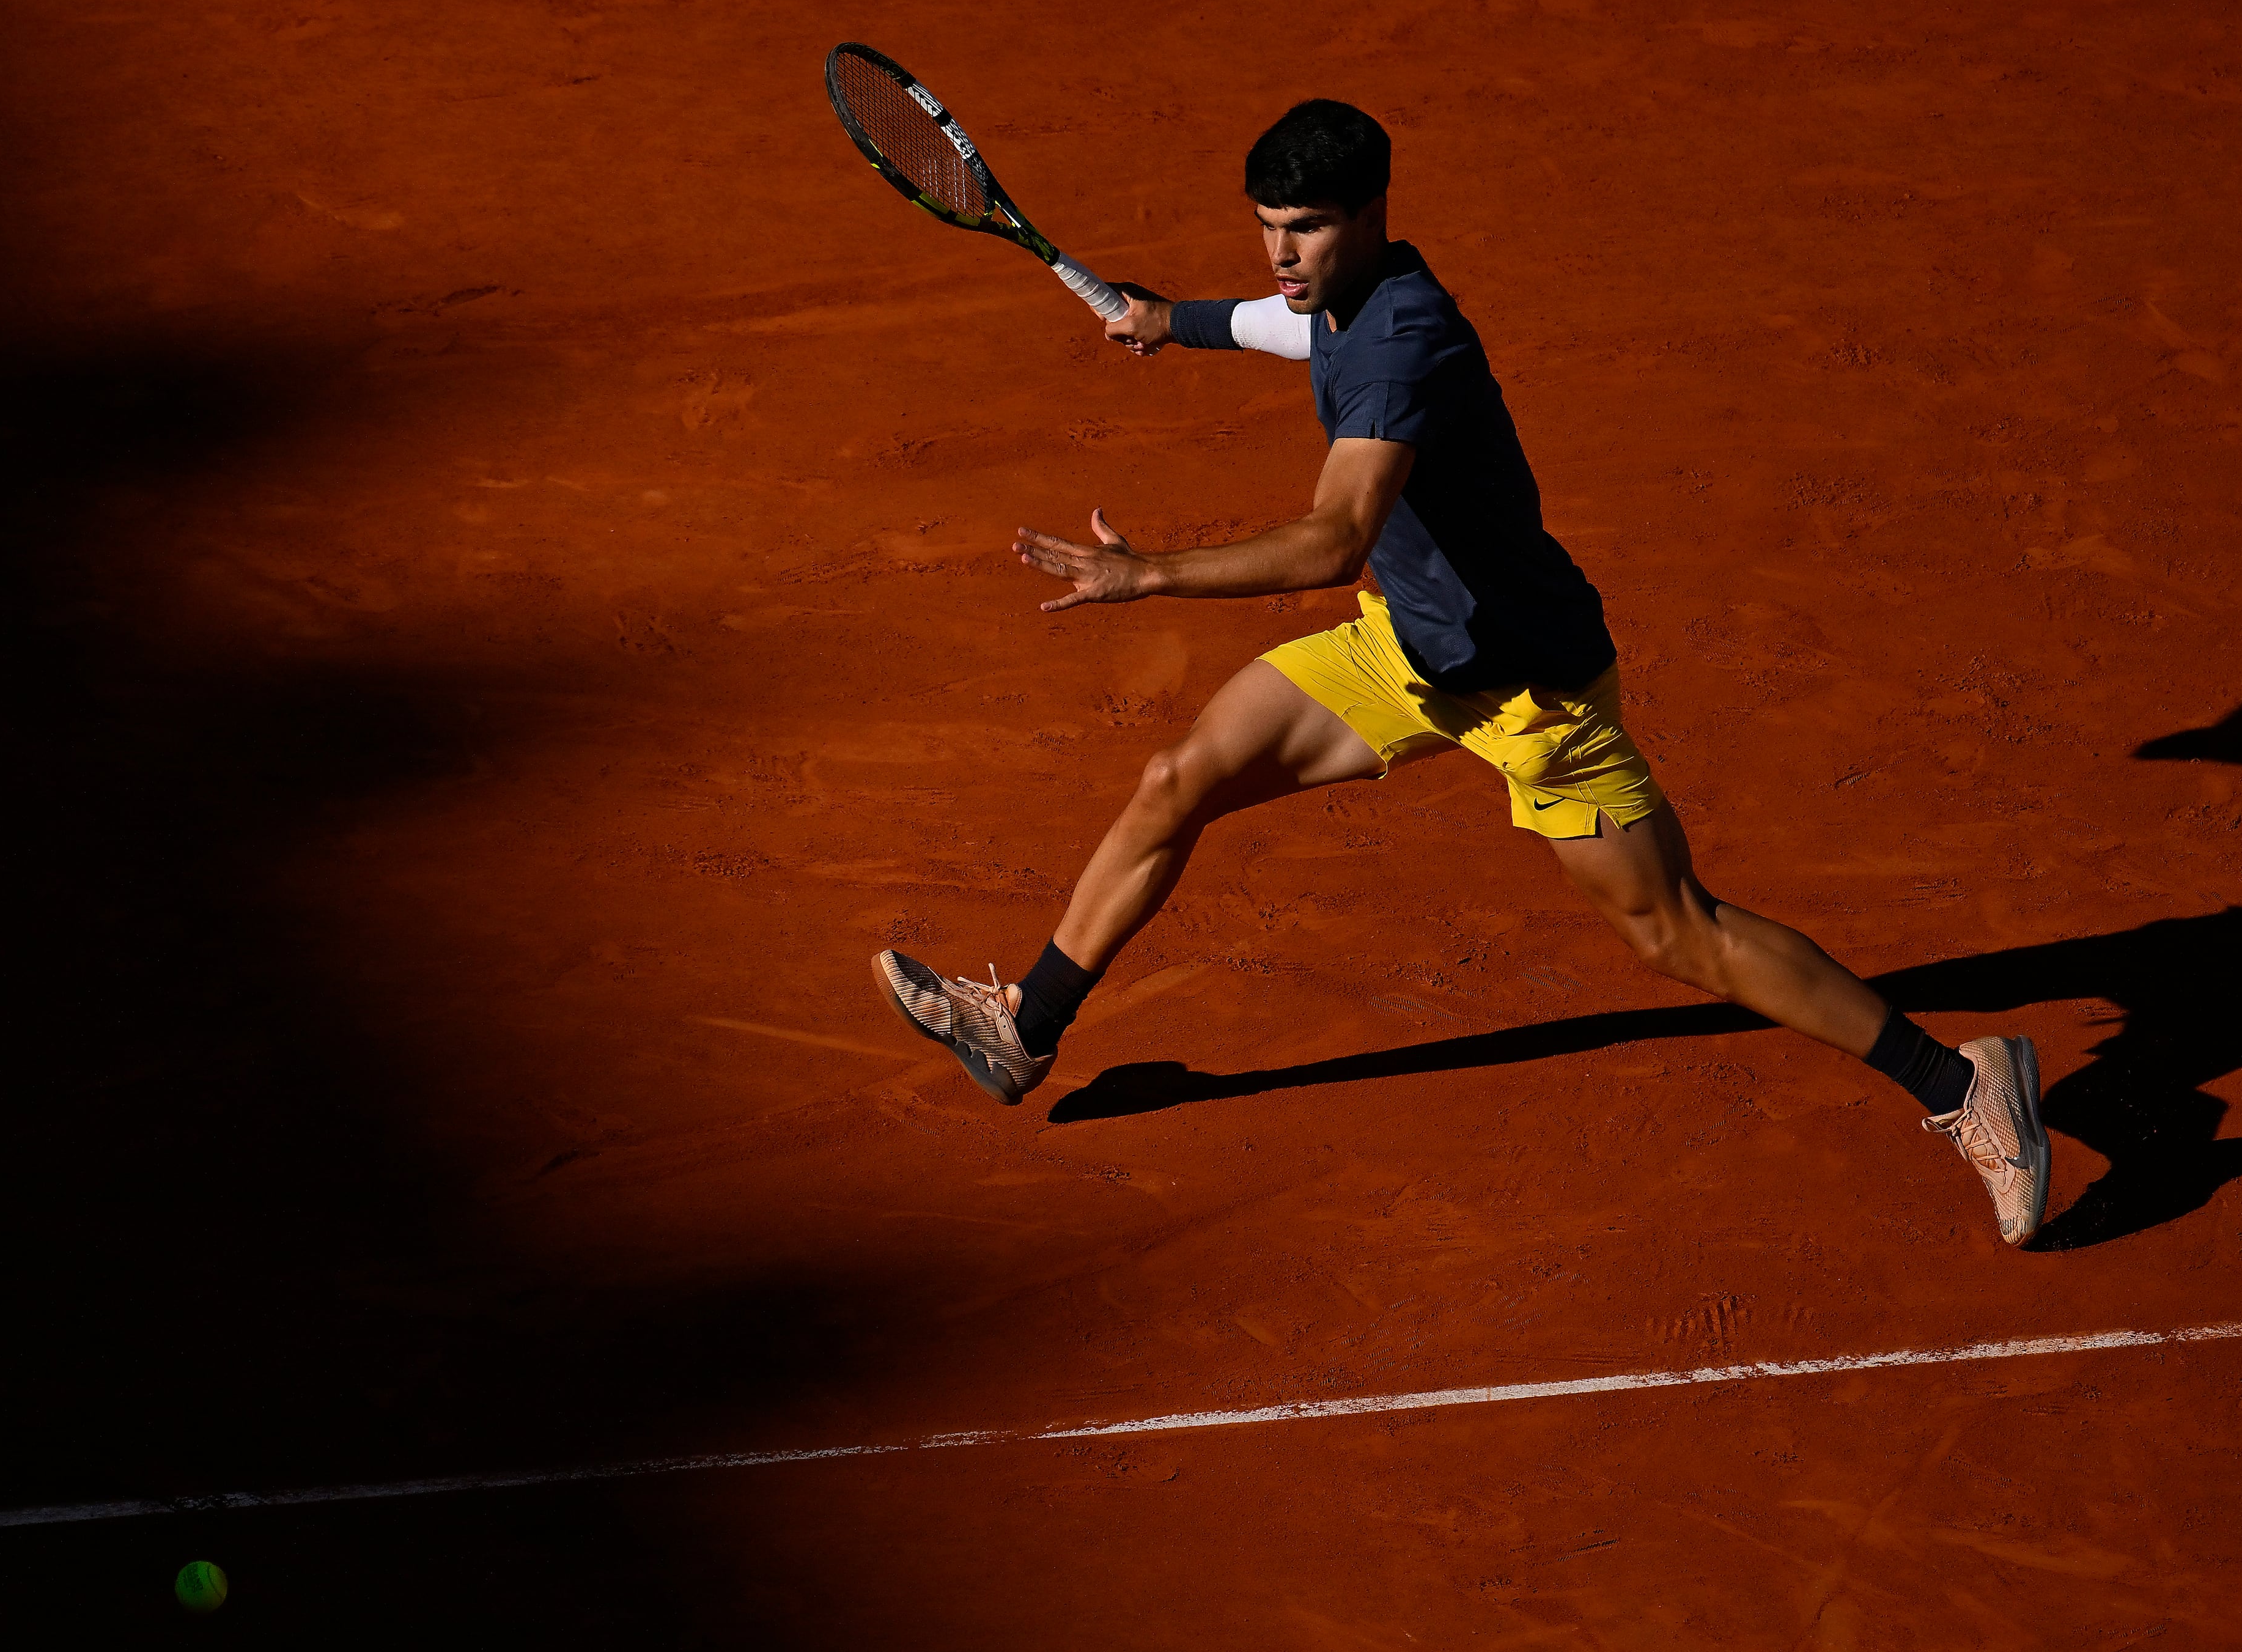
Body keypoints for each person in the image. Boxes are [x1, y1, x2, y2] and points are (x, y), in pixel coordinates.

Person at [869, 100, 2051, 1245]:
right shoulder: (1340, 298)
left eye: (1310, 227)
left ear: (1373, 213)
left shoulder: (1403, 344)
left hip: (1532, 692)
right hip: (1411, 647)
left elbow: (1335, 539)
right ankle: (1025, 1022)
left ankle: (1963, 1082)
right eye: (1268, 222)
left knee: (1681, 937)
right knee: (1180, 777)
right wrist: (1165, 318)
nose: (1283, 252)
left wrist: (1149, 577)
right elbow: (1283, 324)